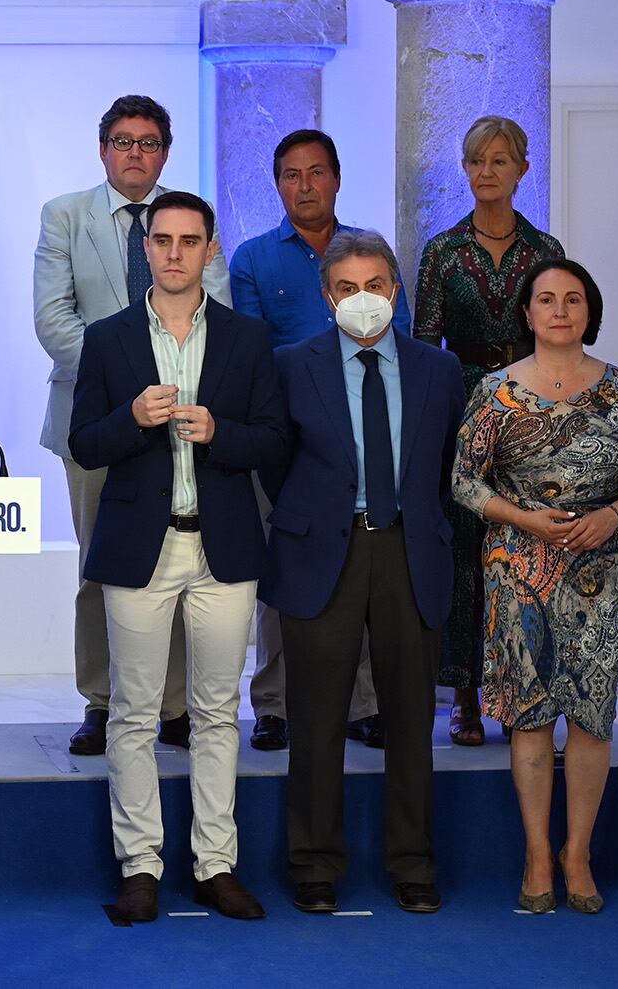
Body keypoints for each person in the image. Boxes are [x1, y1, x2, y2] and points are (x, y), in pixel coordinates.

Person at [68, 192, 284, 923]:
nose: (173, 252)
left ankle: (216, 864)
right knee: (132, 712)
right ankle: (141, 866)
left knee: (217, 711)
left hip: (222, 546)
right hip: (140, 547)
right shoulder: (108, 338)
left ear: (210, 250)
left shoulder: (248, 339)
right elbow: (84, 443)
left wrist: (221, 430)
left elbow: (274, 442)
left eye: (189, 240)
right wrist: (131, 419)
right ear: (147, 248)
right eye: (162, 239)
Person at [453, 259, 618, 914]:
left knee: (591, 711)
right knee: (532, 712)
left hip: (601, 574)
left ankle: (578, 853)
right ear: (528, 313)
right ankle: (538, 854)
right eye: (546, 298)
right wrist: (524, 519)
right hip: (520, 568)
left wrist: (611, 514)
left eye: (573, 298)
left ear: (588, 310)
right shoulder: (496, 392)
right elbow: (465, 483)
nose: (559, 309)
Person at [260, 230, 464, 917]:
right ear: (327, 297)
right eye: (347, 288)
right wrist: (321, 514)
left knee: (412, 718)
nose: (363, 299)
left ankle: (413, 863)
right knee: (315, 719)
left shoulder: (439, 369)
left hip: (409, 548)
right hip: (327, 549)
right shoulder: (292, 365)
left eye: (375, 284)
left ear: (396, 289)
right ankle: (314, 864)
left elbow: (441, 469)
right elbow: (275, 462)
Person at [35, 95, 225, 757]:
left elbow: (218, 306)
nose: (135, 153)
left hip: (180, 417)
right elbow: (53, 318)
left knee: (172, 562)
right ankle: (103, 700)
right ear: (102, 149)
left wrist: (172, 387)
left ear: (164, 152)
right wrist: (121, 392)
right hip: (92, 420)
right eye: (122, 141)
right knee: (103, 566)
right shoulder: (63, 216)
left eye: (147, 142)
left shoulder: (191, 218)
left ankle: (172, 705)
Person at [228, 129, 412, 752]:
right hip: (284, 438)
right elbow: (252, 352)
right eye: (290, 175)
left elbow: (400, 336)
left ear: (336, 178)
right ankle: (275, 704)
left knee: (361, 567)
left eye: (315, 173)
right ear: (278, 183)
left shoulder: (370, 253)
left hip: (365, 434)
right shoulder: (253, 259)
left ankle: (363, 702)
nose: (303, 186)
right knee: (282, 570)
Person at [413, 115, 563, 745]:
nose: (486, 172)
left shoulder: (546, 253)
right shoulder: (442, 252)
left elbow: (559, 337)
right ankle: (466, 696)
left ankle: (526, 692)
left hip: (531, 411)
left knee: (529, 557)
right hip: (464, 409)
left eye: (499, 161)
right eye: (476, 161)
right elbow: (423, 345)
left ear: (522, 170)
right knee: (467, 557)